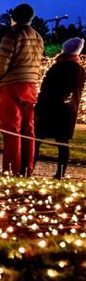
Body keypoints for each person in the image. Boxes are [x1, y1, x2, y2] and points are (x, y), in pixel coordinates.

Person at [0, 3, 45, 176]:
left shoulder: (11, 36)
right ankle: (27, 168)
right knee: (28, 129)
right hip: (31, 85)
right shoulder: (38, 37)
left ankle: (12, 169)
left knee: (11, 129)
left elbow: (2, 64)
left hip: (12, 86)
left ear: (14, 18)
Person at [35, 37, 85, 179]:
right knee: (63, 143)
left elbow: (46, 89)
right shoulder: (80, 70)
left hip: (50, 108)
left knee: (36, 139)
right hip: (69, 111)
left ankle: (27, 169)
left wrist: (39, 108)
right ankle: (60, 174)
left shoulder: (58, 67)